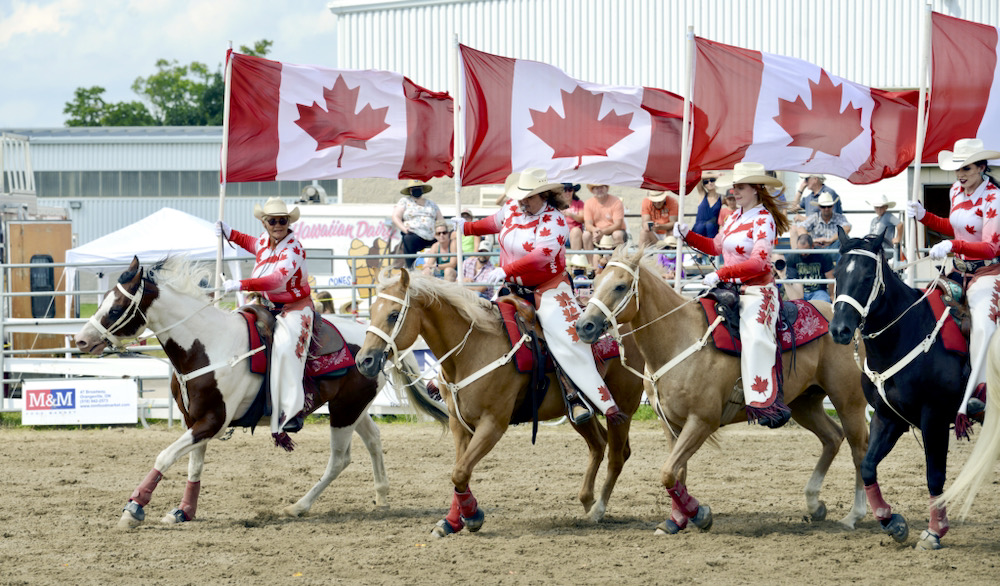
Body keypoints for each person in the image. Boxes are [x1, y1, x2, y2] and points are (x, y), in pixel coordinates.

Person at [456, 168, 627, 425]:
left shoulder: (555, 220)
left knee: (563, 337)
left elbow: (541, 256)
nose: (522, 201)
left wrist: (506, 269)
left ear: (543, 195)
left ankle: (576, 395)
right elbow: (493, 222)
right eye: (521, 196)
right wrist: (466, 227)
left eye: (528, 197)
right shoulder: (513, 209)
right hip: (512, 288)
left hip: (548, 289)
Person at [674, 162, 792, 428]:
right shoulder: (732, 217)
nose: (734, 191)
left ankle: (766, 403)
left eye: (740, 187)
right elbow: (715, 246)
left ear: (755, 189)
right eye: (734, 187)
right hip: (728, 288)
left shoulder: (764, 220)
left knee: (755, 335)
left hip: (757, 290)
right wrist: (687, 235)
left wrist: (721, 274)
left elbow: (760, 263)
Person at [906, 138, 1000, 426]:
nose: (960, 174)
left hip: (988, 273)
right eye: (957, 168)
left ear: (982, 167)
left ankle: (981, 395)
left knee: (983, 323)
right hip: (957, 269)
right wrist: (924, 217)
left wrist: (952, 245)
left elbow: (991, 247)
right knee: (924, 311)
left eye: (966, 168)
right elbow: (954, 224)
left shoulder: (993, 198)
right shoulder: (956, 190)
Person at [215, 197, 313, 447]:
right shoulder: (263, 240)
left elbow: (276, 280)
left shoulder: (294, 249)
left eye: (282, 220)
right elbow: (251, 243)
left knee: (287, 347)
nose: (277, 225)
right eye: (272, 221)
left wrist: (241, 284)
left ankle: (289, 411)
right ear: (265, 222)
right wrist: (230, 233)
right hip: (267, 304)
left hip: (294, 307)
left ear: (288, 222)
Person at [392, 180, 443, 268]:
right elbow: (395, 216)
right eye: (414, 189)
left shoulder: (431, 204)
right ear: (410, 191)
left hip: (432, 235)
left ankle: (441, 267)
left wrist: (440, 231)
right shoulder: (405, 201)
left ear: (422, 189)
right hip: (413, 233)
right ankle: (410, 269)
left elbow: (440, 219)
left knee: (444, 239)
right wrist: (404, 229)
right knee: (408, 239)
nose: (416, 190)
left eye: (419, 188)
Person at [582, 183, 626, 269]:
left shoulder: (616, 201)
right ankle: (591, 268)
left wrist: (602, 232)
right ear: (592, 190)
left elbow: (618, 224)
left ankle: (618, 264)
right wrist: (595, 230)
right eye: (596, 188)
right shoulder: (588, 203)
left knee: (617, 234)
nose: (599, 189)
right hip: (598, 232)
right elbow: (588, 224)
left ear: (607, 188)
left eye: (602, 187)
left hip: (613, 231)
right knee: (586, 235)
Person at [794, 193, 852, 257]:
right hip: (816, 249)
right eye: (823, 207)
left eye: (829, 206)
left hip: (833, 247)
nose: (826, 209)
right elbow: (800, 228)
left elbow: (847, 228)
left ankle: (840, 266)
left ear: (832, 206)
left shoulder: (839, 217)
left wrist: (831, 240)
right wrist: (812, 241)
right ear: (819, 207)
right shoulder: (814, 217)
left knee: (842, 242)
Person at [783, 233, 835, 303]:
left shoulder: (823, 255)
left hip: (818, 292)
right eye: (800, 250)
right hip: (799, 292)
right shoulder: (792, 257)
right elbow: (791, 280)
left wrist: (832, 295)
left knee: (824, 303)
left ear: (812, 246)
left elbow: (830, 277)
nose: (803, 253)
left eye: (805, 251)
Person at [866, 195, 903, 261]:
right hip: (874, 249)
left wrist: (898, 238)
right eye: (877, 207)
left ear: (886, 207)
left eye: (881, 207)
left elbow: (900, 224)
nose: (879, 209)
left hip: (884, 250)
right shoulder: (874, 220)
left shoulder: (888, 216)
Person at [691, 171, 723, 243]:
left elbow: (732, 207)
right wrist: (715, 175)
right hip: (699, 229)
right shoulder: (702, 194)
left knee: (710, 227)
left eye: (712, 180)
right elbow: (697, 176)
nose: (710, 183)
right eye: (706, 182)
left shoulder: (722, 198)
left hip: (712, 230)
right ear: (704, 185)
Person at [560, 183, 586, 252]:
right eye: (565, 190)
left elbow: (583, 219)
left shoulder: (579, 203)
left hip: (575, 234)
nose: (567, 193)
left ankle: (575, 259)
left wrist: (571, 215)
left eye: (570, 190)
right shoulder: (556, 204)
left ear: (573, 191)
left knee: (576, 231)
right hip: (560, 234)